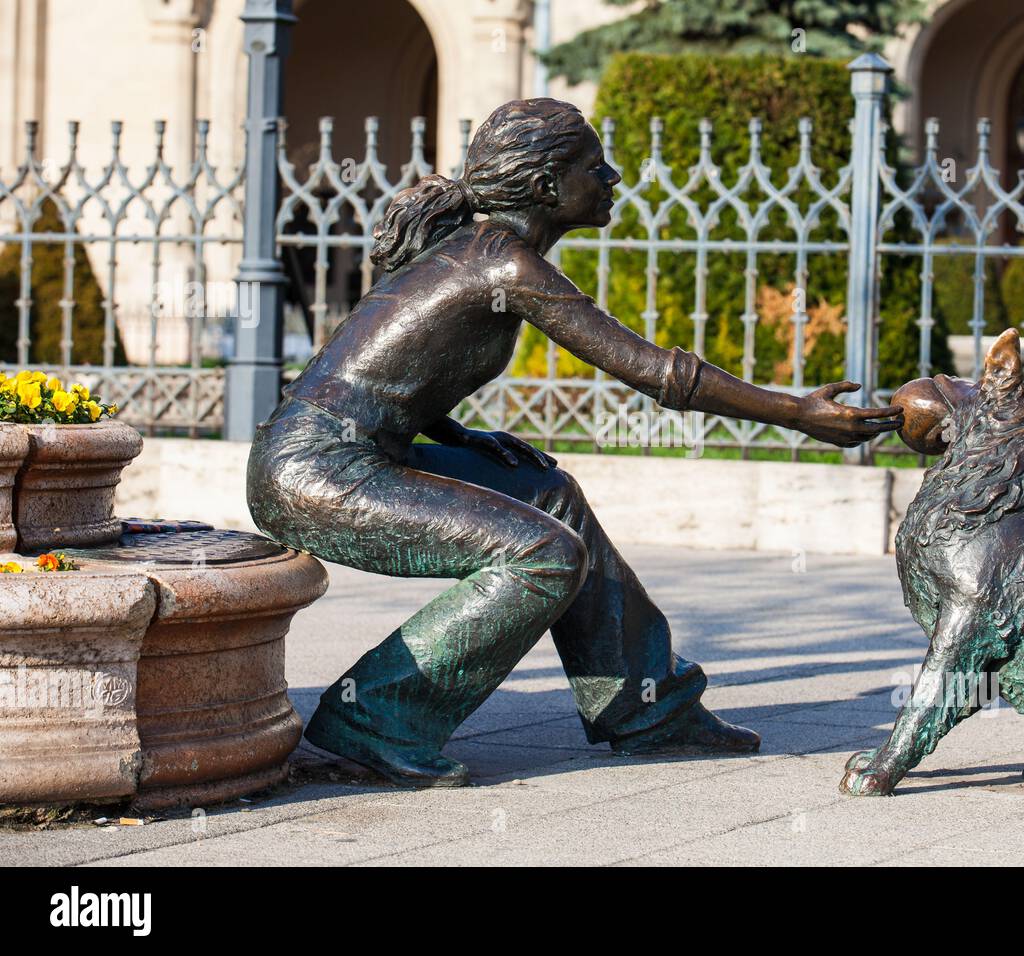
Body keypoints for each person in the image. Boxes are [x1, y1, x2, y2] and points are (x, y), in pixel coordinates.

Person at [247, 98, 901, 786]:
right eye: (595, 166)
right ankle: (368, 721)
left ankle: (646, 710)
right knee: (543, 554)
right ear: (547, 188)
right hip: (312, 472)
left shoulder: (479, 253)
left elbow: (389, 375)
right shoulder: (502, 264)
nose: (612, 176)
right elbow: (658, 372)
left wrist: (463, 436)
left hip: (350, 454)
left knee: (550, 495)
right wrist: (796, 412)